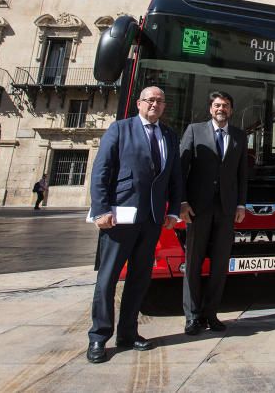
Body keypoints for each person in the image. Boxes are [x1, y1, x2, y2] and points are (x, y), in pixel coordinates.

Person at [87, 86, 181, 364]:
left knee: (140, 279)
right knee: (108, 279)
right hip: (119, 218)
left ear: (164, 106)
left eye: (160, 100)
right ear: (139, 103)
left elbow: (174, 177)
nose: (155, 104)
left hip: (152, 220)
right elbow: (101, 170)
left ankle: (128, 333)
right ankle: (98, 337)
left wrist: (173, 211)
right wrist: (100, 209)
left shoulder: (169, 135)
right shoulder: (120, 129)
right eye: (150, 100)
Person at [180, 91, 248, 335]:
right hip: (198, 209)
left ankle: (211, 314)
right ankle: (192, 316)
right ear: (210, 109)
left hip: (227, 209)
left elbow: (242, 175)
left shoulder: (240, 136)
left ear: (231, 110)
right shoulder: (194, 131)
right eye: (217, 105)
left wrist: (241, 204)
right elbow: (181, 167)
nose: (221, 109)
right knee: (193, 263)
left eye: (226, 106)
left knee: (220, 265)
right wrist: (182, 202)